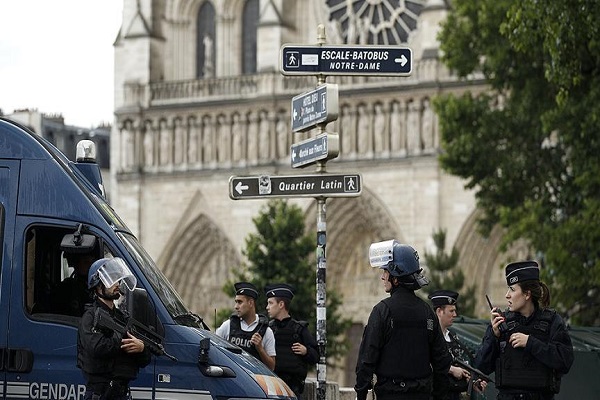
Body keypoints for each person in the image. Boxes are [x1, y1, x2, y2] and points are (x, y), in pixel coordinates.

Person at [355, 240, 451, 400]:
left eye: (385, 271)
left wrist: (361, 394)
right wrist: (437, 395)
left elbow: (366, 360)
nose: (382, 277)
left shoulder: (381, 311)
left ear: (396, 278)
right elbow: (442, 361)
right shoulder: (427, 311)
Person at [474, 260, 574, 400]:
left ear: (527, 294)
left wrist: (530, 343)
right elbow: (479, 368)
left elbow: (565, 361)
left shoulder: (552, 321)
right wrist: (493, 335)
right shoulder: (501, 323)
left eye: (512, 289)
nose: (507, 295)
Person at [77, 257, 151, 400]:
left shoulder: (122, 317)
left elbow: (143, 359)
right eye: (111, 281)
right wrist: (120, 337)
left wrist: (141, 348)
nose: (117, 284)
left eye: (118, 280)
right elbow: (96, 347)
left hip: (121, 393)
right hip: (100, 393)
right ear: (98, 286)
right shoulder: (90, 317)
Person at [429, 290, 486, 399]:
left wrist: (472, 381)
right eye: (451, 311)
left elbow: (461, 362)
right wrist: (451, 369)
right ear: (439, 311)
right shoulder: (428, 337)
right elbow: (424, 363)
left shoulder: (453, 336)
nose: (455, 315)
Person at [265, 283, 318, 398]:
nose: (267, 307)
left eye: (270, 303)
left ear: (281, 304)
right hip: (272, 386)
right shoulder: (268, 329)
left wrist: (306, 351)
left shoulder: (299, 329)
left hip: (293, 388)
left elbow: (316, 356)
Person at [216, 281, 276, 370]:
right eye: (236, 302)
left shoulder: (266, 331)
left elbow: (272, 367)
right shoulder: (228, 325)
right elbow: (214, 350)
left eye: (240, 302)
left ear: (250, 303)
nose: (236, 306)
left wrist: (260, 349)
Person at [49, 252, 96, 317]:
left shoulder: (97, 286)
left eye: (93, 262)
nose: (91, 266)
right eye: (86, 262)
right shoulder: (66, 288)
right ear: (77, 265)